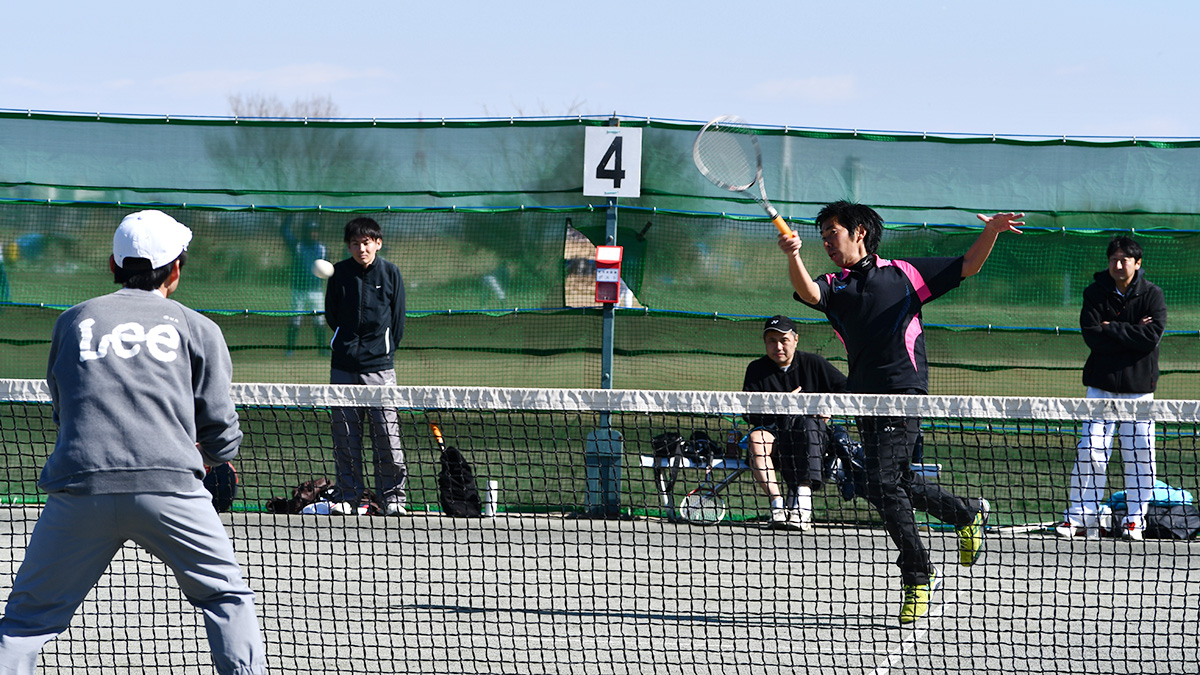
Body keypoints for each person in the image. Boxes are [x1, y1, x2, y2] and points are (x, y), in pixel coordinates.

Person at [0, 210, 266, 674]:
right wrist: (218, 459)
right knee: (226, 598)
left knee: (25, 621)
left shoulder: (72, 321)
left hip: (79, 487)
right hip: (173, 488)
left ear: (112, 265)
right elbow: (220, 427)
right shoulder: (199, 327)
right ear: (176, 270)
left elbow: (64, 408)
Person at [779, 200, 1022, 625]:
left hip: (905, 393)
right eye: (821, 236)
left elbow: (967, 265)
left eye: (831, 233)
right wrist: (793, 255)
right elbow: (808, 293)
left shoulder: (904, 274)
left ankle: (918, 573)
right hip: (865, 400)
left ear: (858, 232)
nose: (827, 242)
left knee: (881, 480)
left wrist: (993, 232)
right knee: (893, 482)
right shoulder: (835, 286)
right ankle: (965, 513)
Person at [1055, 236, 1166, 542]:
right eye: (1113, 259)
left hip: (1139, 389)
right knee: (1090, 450)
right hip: (1100, 387)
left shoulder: (1153, 295)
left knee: (1140, 452)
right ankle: (1079, 516)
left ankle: (1135, 519)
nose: (1118, 265)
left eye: (1125, 260)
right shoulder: (1094, 293)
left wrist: (1111, 327)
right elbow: (1093, 336)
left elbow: (1151, 338)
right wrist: (1131, 331)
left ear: (1137, 263)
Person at [324, 216, 408, 516]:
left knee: (386, 434)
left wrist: (382, 350)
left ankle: (393, 499)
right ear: (349, 246)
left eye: (367, 242)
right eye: (356, 243)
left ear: (378, 243)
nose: (362, 248)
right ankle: (348, 497)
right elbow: (332, 315)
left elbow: (397, 320)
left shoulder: (391, 273)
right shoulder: (339, 274)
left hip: (380, 368)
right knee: (345, 435)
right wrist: (345, 345)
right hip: (343, 367)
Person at [742, 315, 847, 531]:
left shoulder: (814, 363)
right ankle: (778, 506)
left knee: (807, 426)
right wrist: (782, 405)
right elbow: (749, 415)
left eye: (783, 340)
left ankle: (803, 507)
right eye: (771, 340)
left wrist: (828, 408)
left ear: (795, 339)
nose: (777, 346)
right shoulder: (755, 369)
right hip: (775, 436)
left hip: (812, 438)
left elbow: (847, 390)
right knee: (755, 438)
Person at [281, 218, 329, 356]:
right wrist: (291, 216)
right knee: (295, 319)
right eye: (310, 231)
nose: (313, 233)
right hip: (299, 290)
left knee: (319, 319)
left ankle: (322, 349)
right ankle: (289, 349)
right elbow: (284, 231)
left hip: (316, 291)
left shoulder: (322, 248)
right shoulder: (298, 245)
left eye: (315, 231)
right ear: (305, 232)